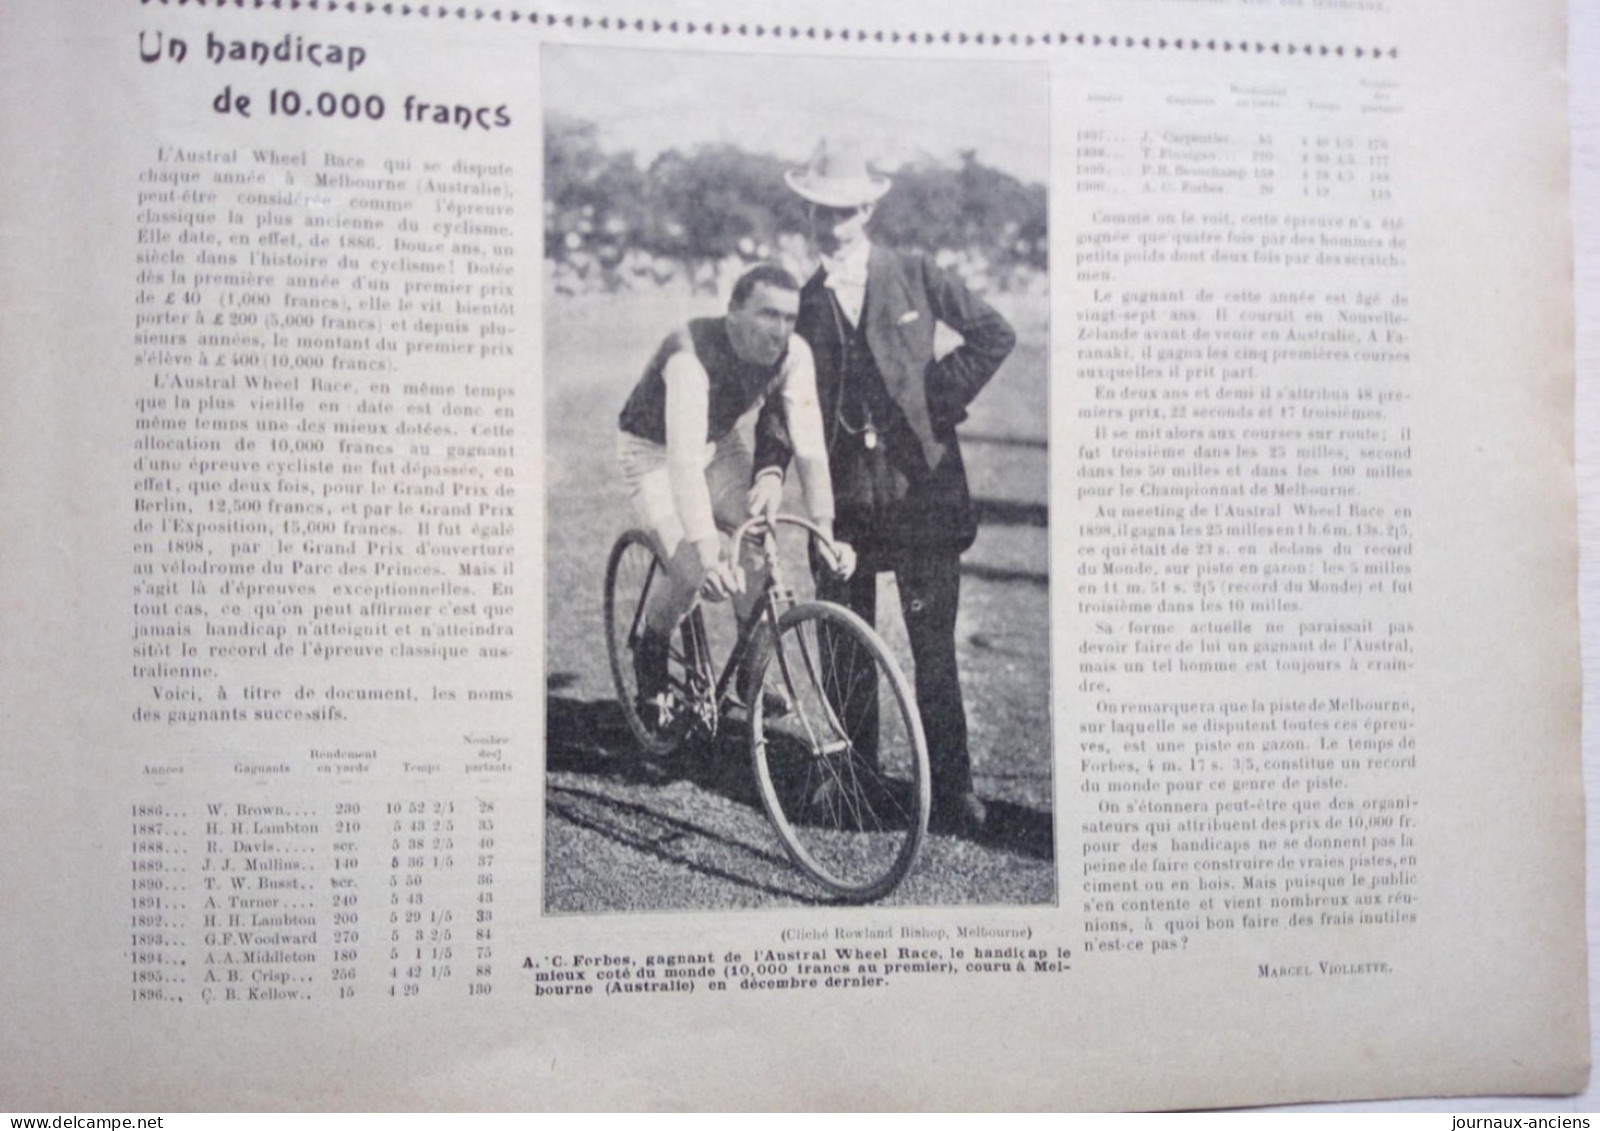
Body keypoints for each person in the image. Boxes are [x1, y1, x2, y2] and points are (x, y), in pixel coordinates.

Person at [753, 138, 1016, 836]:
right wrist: (772, 469)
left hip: (922, 497)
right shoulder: (802, 301)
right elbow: (785, 400)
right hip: (841, 503)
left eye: (839, 210)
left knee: (933, 650)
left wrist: (935, 399)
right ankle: (857, 781)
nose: (826, 222)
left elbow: (994, 333)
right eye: (814, 209)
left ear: (868, 208)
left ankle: (953, 790)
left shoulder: (916, 274)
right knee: (847, 647)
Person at [617, 262, 854, 719]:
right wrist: (707, 555)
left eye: (789, 318)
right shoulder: (689, 355)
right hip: (653, 453)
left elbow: (808, 446)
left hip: (719, 443)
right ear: (733, 314)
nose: (780, 330)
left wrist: (825, 529)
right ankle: (651, 647)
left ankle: (749, 674)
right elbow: (683, 463)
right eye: (768, 315)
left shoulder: (795, 353)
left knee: (758, 547)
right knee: (690, 572)